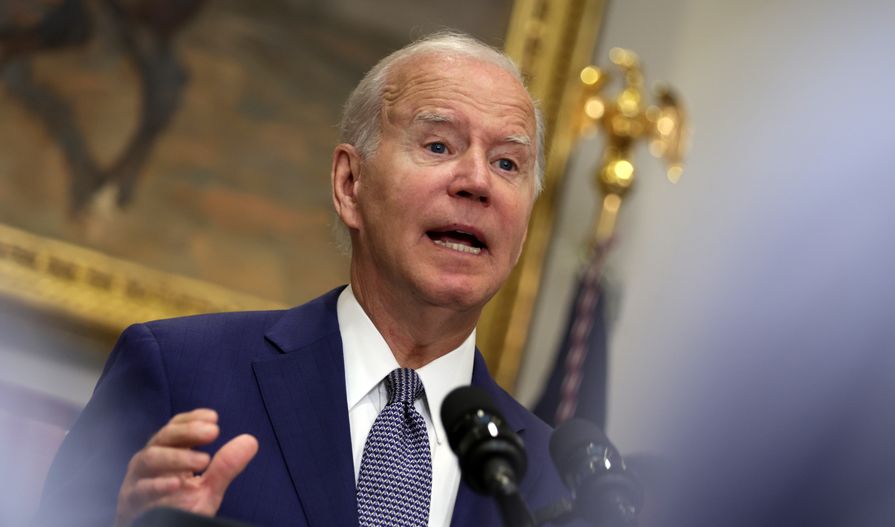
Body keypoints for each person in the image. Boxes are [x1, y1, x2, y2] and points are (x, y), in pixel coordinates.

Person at [35, 32, 570, 526]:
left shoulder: (556, 482)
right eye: (438, 146)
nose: (477, 181)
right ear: (349, 183)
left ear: (523, 229)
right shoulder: (178, 374)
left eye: (507, 164)